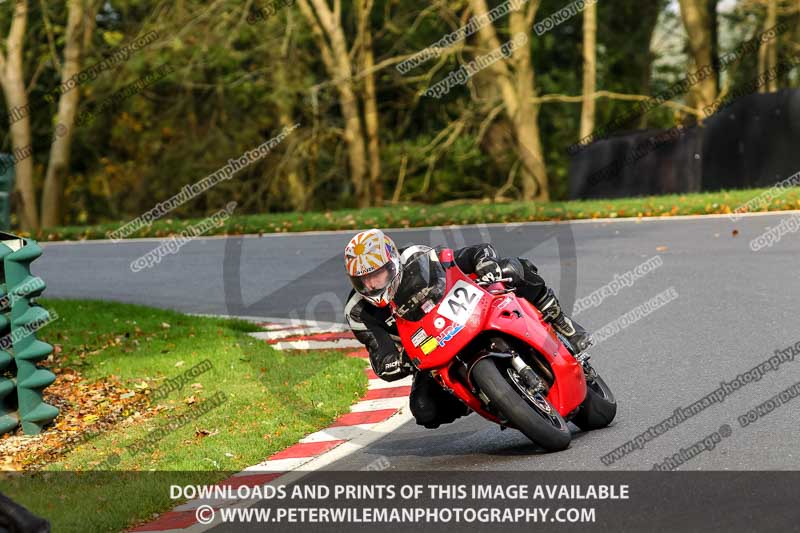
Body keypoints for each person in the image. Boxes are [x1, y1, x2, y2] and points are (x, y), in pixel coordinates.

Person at [343, 229, 592, 429]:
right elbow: (381, 355)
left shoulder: (417, 257)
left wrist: (485, 264)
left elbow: (471, 254)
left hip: (464, 312)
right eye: (363, 280)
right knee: (424, 409)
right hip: (429, 351)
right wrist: (397, 362)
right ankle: (485, 397)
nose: (371, 284)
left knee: (513, 268)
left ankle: (561, 321)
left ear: (392, 262)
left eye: (377, 275)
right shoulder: (357, 311)